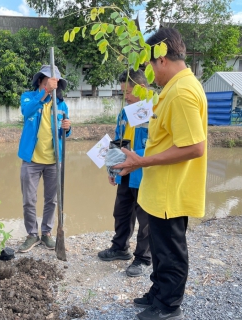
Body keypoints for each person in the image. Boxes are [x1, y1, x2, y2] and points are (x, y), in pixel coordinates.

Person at [114, 28, 207, 320]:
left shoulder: (182, 92)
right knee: (159, 246)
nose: (151, 72)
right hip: (159, 190)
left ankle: (169, 306)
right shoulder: (173, 89)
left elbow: (194, 147)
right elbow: (151, 124)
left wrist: (143, 161)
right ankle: (158, 292)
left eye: (151, 65)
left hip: (170, 190)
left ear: (162, 59)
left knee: (170, 251)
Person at [98, 69, 151, 277]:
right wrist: (111, 168)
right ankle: (120, 248)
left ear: (142, 88)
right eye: (123, 93)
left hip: (143, 173)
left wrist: (135, 157)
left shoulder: (153, 111)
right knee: (121, 213)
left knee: (145, 218)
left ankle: (143, 257)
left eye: (128, 92)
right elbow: (118, 141)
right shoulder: (124, 112)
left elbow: (157, 147)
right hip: (124, 172)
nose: (125, 97)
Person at [17, 65, 72, 253]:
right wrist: (44, 94)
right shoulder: (28, 97)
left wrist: (67, 127)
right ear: (41, 81)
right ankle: (32, 234)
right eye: (49, 81)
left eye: (55, 82)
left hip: (54, 161)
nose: (53, 85)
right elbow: (27, 112)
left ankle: (46, 233)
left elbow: (65, 130)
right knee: (29, 200)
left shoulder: (61, 104)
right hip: (31, 160)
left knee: (52, 200)